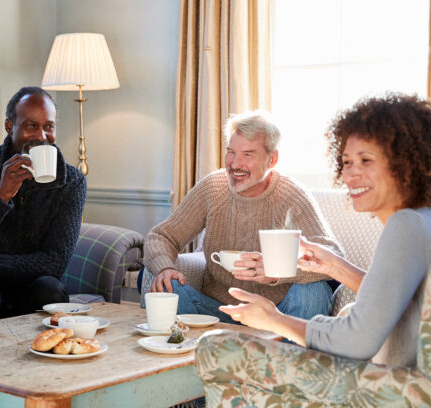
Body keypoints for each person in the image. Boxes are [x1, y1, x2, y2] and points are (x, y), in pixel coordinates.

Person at [197, 93, 431, 405]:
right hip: (404, 382)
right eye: (346, 162)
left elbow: (356, 341)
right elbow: (404, 302)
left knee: (214, 346)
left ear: (404, 163)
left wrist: (273, 319)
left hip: (398, 392)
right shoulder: (421, 220)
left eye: (367, 160)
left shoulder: (406, 225)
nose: (350, 173)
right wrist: (334, 266)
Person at [144, 110, 341, 322]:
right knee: (167, 285)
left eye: (248, 154)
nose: (235, 164)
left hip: (278, 317)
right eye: (231, 152)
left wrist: (278, 271)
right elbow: (162, 236)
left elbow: (332, 255)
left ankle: (286, 354)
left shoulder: (291, 195)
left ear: (272, 159)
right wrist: (165, 268)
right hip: (215, 312)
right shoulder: (213, 187)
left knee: (315, 291)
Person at [0, 86, 87, 324]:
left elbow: (55, 261)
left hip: (31, 286)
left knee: (50, 289)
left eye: (49, 127)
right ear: (9, 126)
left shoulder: (71, 181)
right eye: (31, 125)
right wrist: (0, 195)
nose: (42, 136)